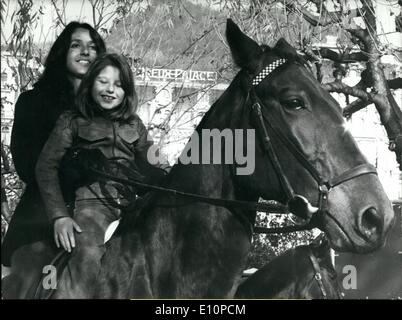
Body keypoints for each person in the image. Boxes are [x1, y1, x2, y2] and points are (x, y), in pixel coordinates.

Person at [35, 53, 165, 298]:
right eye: (103, 81)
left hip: (133, 205)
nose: (110, 90)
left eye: (118, 85)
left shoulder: (135, 124)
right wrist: (59, 216)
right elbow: (45, 168)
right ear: (90, 83)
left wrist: (170, 178)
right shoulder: (72, 121)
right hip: (92, 206)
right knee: (88, 257)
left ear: (126, 91)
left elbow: (156, 161)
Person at [1, 22, 106, 269]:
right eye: (76, 45)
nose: (85, 52)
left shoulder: (108, 107)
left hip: (99, 212)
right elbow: (28, 167)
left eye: (92, 47)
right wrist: (84, 166)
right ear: (62, 53)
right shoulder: (32, 101)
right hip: (42, 214)